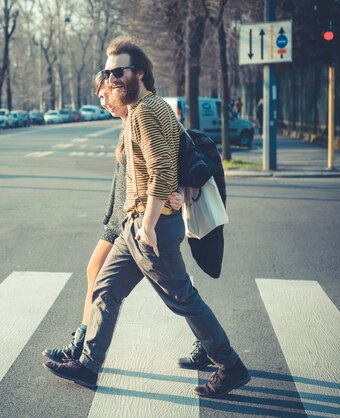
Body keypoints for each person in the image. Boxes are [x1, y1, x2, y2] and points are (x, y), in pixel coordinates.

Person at [44, 36, 250, 399]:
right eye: (107, 73)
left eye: (119, 71)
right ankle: (90, 365)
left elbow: (163, 170)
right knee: (106, 289)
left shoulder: (145, 112)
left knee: (182, 298)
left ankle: (229, 364)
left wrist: (150, 224)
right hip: (133, 225)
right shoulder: (143, 110)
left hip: (149, 225)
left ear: (139, 72)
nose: (111, 79)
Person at [42, 72, 184, 364]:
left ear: (122, 89)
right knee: (98, 277)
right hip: (120, 218)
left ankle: (82, 347)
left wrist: (178, 190)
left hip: (135, 219)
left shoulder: (142, 115)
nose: (103, 100)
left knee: (174, 291)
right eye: (99, 96)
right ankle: (82, 347)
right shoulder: (126, 122)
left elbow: (170, 158)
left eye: (106, 93)